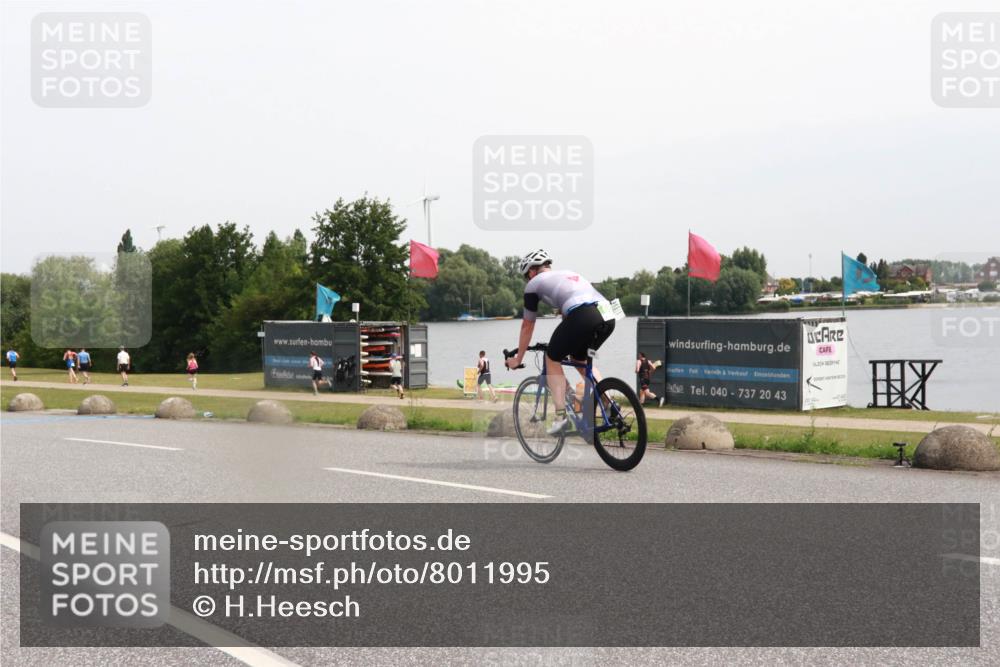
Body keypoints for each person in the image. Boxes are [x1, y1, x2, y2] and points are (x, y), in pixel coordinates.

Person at [505, 249, 615, 435]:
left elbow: (527, 325)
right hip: (608, 314)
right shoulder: (568, 274)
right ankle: (610, 403)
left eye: (527, 276)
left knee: (552, 358)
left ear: (531, 271)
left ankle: (561, 417)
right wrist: (565, 343)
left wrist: (518, 359)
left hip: (584, 315)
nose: (528, 280)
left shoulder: (533, 284)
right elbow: (568, 317)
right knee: (579, 359)